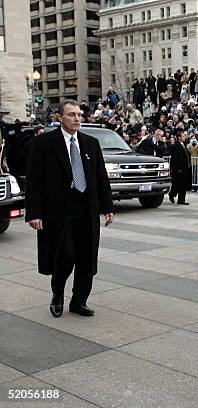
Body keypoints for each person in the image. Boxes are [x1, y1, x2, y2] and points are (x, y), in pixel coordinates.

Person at [25, 100, 114, 318]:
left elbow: (101, 178)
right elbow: (34, 180)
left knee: (86, 256)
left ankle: (79, 301)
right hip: (59, 210)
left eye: (79, 115)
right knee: (64, 254)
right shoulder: (45, 143)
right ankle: (57, 294)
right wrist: (34, 212)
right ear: (60, 117)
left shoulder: (90, 143)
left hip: (86, 208)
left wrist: (107, 206)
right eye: (72, 115)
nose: (77, 119)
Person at [168, 131, 192, 205]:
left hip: (185, 168)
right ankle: (172, 194)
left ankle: (181, 200)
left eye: (185, 136)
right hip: (179, 169)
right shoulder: (176, 145)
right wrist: (177, 169)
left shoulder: (183, 145)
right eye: (183, 136)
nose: (184, 137)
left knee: (183, 185)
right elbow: (174, 158)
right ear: (179, 137)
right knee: (177, 184)